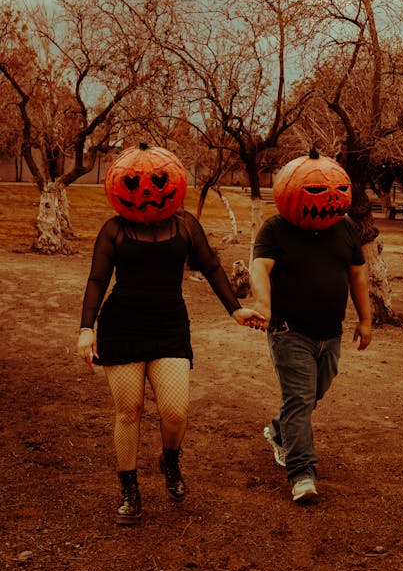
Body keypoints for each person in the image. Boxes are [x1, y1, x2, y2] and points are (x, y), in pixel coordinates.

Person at [77, 145, 263, 525]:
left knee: (175, 412)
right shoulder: (114, 229)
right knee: (129, 412)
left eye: (158, 182)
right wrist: (86, 328)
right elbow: (98, 279)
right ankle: (129, 490)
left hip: (169, 325)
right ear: (119, 186)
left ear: (173, 183)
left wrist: (236, 309)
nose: (147, 191)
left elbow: (211, 266)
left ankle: (171, 459)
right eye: (134, 183)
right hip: (122, 327)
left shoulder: (185, 225)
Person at [250, 151, 372, 504]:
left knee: (312, 394)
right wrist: (262, 305)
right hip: (290, 332)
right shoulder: (275, 229)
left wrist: (365, 320)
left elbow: (357, 275)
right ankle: (302, 472)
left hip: (330, 334)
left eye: (336, 189)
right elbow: (260, 268)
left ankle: (278, 430)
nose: (329, 198)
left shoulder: (345, 228)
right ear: (291, 190)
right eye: (317, 190)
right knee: (300, 398)